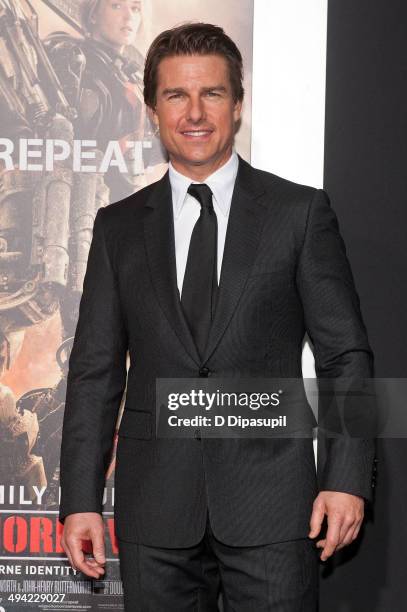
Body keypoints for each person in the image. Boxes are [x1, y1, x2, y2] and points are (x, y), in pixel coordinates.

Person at [59, 23, 375, 611]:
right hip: (156, 510)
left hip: (275, 505)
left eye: (212, 93)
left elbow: (344, 356)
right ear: (153, 108)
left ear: (238, 104)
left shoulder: (298, 213)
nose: (195, 112)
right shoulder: (117, 227)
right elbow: (95, 372)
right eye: (177, 95)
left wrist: (346, 477)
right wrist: (80, 497)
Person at [43, 0, 165, 203]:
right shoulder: (72, 59)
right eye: (116, 6)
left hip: (126, 199)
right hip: (80, 199)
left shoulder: (134, 76)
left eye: (135, 8)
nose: (129, 17)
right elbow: (71, 141)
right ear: (93, 14)